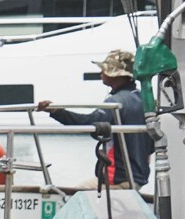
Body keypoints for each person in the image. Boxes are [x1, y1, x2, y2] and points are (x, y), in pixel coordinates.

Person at [37, 49, 151, 190]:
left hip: (116, 180)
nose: (101, 73)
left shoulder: (115, 102)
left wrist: (56, 112)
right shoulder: (143, 100)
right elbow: (150, 145)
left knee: (69, 199)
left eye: (105, 70)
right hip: (136, 179)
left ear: (116, 74)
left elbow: (88, 124)